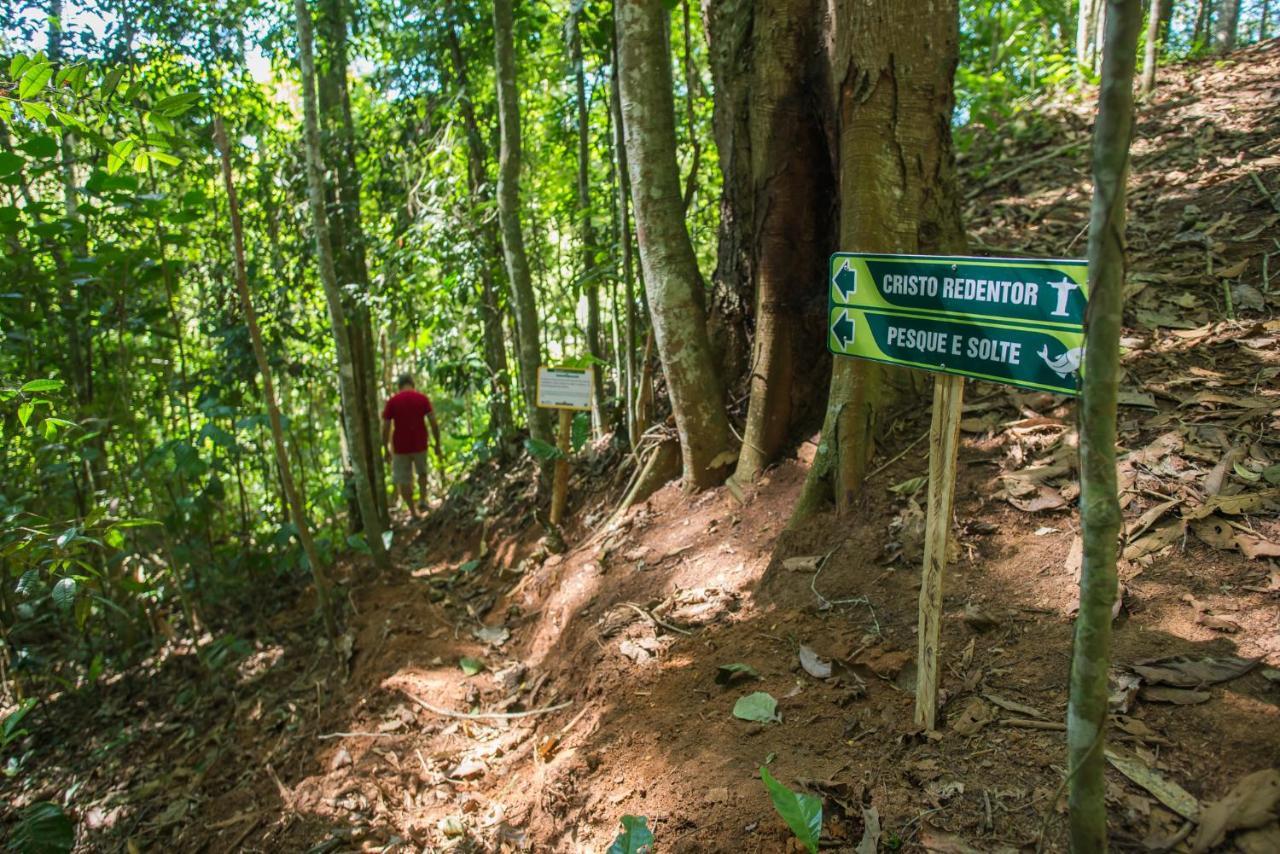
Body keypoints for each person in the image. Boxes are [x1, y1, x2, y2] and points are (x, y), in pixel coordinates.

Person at [381, 373, 443, 519]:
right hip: (420, 443)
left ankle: (413, 511)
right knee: (422, 472)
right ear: (412, 384)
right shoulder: (422, 399)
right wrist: (437, 443)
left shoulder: (393, 402)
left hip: (400, 447)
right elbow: (433, 421)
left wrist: (385, 448)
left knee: (403, 479)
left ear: (399, 386)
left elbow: (386, 426)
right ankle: (423, 500)